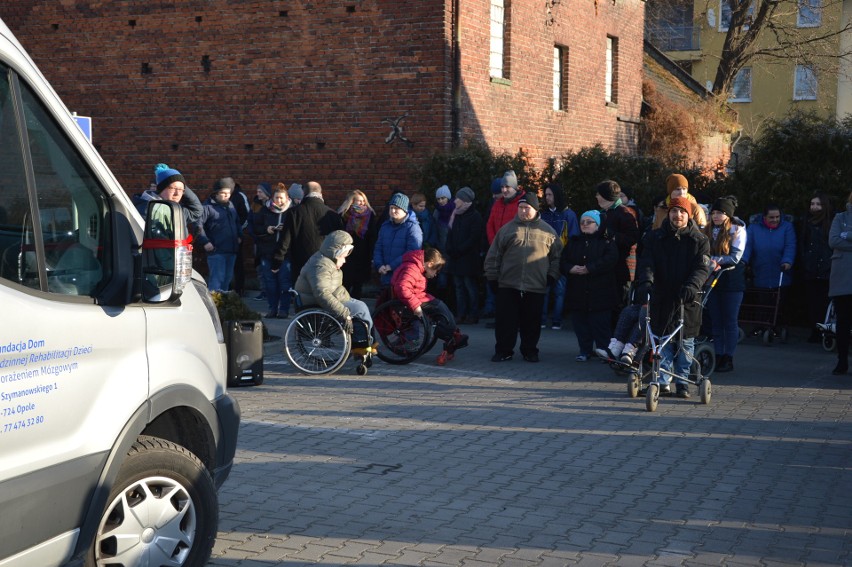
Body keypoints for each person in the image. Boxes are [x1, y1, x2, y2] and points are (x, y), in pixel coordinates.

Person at [634, 196, 711, 398]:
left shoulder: (699, 240)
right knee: (662, 339)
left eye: (682, 212)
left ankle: (682, 382)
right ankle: (662, 380)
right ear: (668, 214)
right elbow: (647, 263)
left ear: (689, 215)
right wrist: (646, 282)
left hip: (687, 298)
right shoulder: (655, 237)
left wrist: (692, 286)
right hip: (662, 296)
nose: (678, 215)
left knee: (685, 341)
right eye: (674, 211)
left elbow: (702, 268)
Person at [484, 192, 562, 363]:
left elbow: (557, 258)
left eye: (527, 208)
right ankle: (504, 350)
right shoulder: (506, 230)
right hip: (507, 284)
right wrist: (492, 278)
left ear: (535, 209)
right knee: (506, 322)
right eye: (520, 208)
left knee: (532, 322)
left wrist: (552, 276)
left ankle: (530, 350)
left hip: (536, 285)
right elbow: (493, 256)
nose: (523, 211)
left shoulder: (548, 232)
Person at [294, 230, 376, 356]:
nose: (345, 260)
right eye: (343, 256)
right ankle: (361, 345)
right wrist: (344, 313)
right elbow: (322, 294)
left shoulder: (326, 261)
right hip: (316, 304)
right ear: (336, 252)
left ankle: (364, 342)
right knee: (361, 309)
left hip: (330, 299)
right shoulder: (321, 266)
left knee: (360, 307)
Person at [391, 248, 469, 365]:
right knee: (440, 309)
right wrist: (416, 306)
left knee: (441, 307)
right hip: (409, 301)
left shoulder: (416, 267)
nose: (435, 274)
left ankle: (452, 334)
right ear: (430, 264)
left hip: (418, 297)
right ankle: (449, 335)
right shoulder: (412, 268)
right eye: (435, 271)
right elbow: (402, 288)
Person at [560, 210, 618, 361]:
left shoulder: (606, 241)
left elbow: (610, 260)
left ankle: (605, 352)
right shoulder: (574, 241)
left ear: (597, 225)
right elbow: (563, 260)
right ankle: (584, 350)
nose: (584, 225)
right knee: (580, 324)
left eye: (589, 222)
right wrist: (570, 268)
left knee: (600, 324)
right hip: (578, 290)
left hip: (600, 291)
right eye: (582, 222)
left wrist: (590, 268)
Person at [703, 196, 747, 373]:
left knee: (729, 320)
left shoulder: (737, 230)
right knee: (716, 320)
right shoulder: (707, 230)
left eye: (720, 213)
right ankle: (718, 354)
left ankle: (729, 356)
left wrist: (711, 260)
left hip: (731, 281)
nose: (716, 216)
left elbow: (735, 258)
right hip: (712, 280)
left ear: (727, 214)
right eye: (713, 213)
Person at [272, 181, 344, 285]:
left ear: (303, 194)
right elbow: (340, 242)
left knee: (302, 297)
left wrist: (276, 262)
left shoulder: (294, 212)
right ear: (321, 194)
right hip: (326, 265)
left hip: (300, 265)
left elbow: (285, 241)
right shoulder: (333, 215)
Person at [742, 203, 796, 330]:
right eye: (771, 217)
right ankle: (761, 326)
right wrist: (743, 261)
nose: (775, 220)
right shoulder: (754, 228)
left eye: (777, 217)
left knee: (779, 302)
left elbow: (790, 245)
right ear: (764, 217)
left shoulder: (787, 227)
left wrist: (787, 261)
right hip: (761, 270)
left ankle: (778, 326)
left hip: (781, 271)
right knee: (762, 302)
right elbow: (748, 246)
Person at [540, 184, 579, 330]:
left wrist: (567, 257)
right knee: (544, 289)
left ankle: (557, 320)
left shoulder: (568, 215)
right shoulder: (543, 214)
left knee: (560, 291)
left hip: (562, 258)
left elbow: (574, 237)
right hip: (544, 258)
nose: (547, 198)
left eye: (549, 195)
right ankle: (542, 320)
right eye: (546, 195)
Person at [595, 180, 640, 305]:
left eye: (599, 194)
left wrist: (611, 236)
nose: (596, 197)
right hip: (606, 267)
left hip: (622, 269)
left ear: (607, 196)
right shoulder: (603, 213)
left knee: (620, 305)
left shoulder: (625, 213)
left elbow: (633, 238)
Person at [444, 187, 484, 324]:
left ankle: (473, 314)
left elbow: (474, 238)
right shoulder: (456, 214)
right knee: (459, 288)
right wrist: (449, 248)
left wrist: (459, 250)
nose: (455, 201)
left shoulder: (475, 216)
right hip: (456, 258)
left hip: (468, 259)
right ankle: (461, 313)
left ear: (465, 200)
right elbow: (449, 233)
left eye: (458, 198)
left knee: (469, 287)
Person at [252, 184, 292, 318]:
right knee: (270, 283)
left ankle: (284, 309)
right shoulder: (265, 210)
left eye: (281, 198)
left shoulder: (291, 212)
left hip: (285, 253)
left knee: (284, 282)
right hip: (267, 252)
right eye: (277, 198)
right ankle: (272, 308)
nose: (279, 201)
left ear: (287, 198)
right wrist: (267, 229)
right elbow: (256, 227)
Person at [195, 180, 241, 292]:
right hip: (216, 250)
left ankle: (223, 307)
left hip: (231, 249)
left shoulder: (230, 205)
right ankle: (214, 306)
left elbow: (237, 222)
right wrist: (205, 241)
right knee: (216, 281)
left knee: (227, 280)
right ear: (216, 193)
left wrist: (239, 235)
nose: (226, 196)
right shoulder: (207, 207)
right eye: (223, 193)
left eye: (228, 193)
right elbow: (198, 225)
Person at [800, 193, 834, 343]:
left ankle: (825, 331)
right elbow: (804, 244)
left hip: (827, 268)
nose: (814, 207)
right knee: (812, 303)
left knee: (825, 302)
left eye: (818, 204)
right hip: (811, 268)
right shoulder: (807, 222)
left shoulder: (831, 222)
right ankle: (815, 330)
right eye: (812, 204)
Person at [373, 192, 423, 287]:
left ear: (404, 210)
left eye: (396, 208)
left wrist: (391, 266)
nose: (393, 211)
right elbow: (378, 247)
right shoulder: (385, 226)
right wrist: (379, 264)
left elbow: (412, 253)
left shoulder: (413, 228)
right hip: (385, 275)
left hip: (403, 278)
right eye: (391, 208)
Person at [338, 189, 378, 299]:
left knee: (358, 286)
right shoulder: (343, 215)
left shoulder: (369, 215)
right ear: (352, 201)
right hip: (347, 254)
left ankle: (355, 311)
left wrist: (371, 254)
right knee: (345, 284)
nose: (362, 203)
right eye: (359, 201)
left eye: (364, 201)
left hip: (363, 254)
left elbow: (372, 236)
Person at [828, 191, 852, 375]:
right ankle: (841, 360)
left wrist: (848, 235)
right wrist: (843, 235)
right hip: (842, 277)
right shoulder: (840, 217)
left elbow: (841, 239)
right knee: (843, 322)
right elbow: (833, 240)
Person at [133, 163, 203, 225]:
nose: (177, 193)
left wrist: (178, 183)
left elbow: (197, 210)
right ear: (161, 189)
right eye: (173, 188)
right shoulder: (146, 210)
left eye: (181, 190)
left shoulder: (175, 210)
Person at [480, 177, 505, 319]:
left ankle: (494, 309)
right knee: (491, 279)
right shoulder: (492, 205)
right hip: (491, 246)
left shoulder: (498, 206)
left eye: (497, 193)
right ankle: (490, 308)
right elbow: (487, 226)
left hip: (498, 247)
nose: (494, 196)